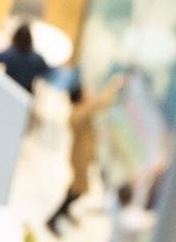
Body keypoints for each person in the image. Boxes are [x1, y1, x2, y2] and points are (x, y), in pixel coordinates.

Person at [49, 75, 124, 235]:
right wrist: (113, 86)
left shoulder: (80, 112)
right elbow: (98, 103)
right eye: (86, 92)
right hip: (78, 158)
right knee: (79, 189)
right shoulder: (78, 113)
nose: (90, 93)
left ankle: (62, 212)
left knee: (77, 188)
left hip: (82, 157)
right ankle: (54, 217)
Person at [0, 24, 51, 94]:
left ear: (15, 38)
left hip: (9, 89)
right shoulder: (37, 59)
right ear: (30, 40)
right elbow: (46, 72)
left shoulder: (9, 54)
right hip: (26, 92)